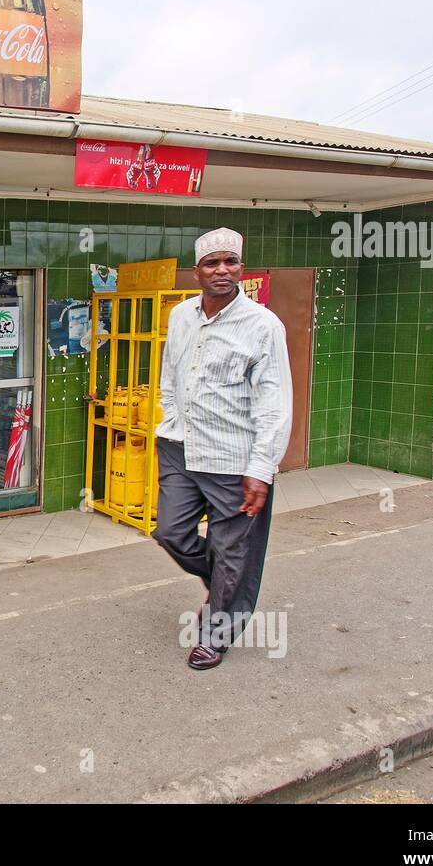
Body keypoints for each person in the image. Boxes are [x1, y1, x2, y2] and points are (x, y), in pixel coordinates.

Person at [153, 228, 293, 670]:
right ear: (197, 271)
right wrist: (169, 416)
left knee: (234, 551)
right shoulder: (181, 316)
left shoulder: (263, 325)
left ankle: (217, 633)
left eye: (230, 262)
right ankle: (228, 586)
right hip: (180, 445)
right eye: (212, 263)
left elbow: (274, 401)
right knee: (170, 532)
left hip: (234, 457)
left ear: (241, 268)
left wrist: (262, 467)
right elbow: (170, 374)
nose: (222, 270)